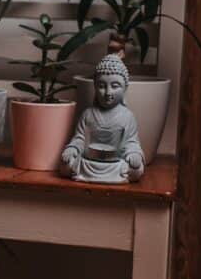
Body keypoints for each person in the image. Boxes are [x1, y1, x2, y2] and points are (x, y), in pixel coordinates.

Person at [60, 54, 146, 183]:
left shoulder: (127, 117)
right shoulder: (88, 114)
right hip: (89, 161)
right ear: (95, 86)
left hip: (115, 163)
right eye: (101, 86)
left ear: (125, 88)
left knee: (136, 170)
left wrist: (134, 154)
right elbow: (80, 138)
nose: (108, 92)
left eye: (115, 86)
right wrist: (72, 149)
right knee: (65, 166)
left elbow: (131, 142)